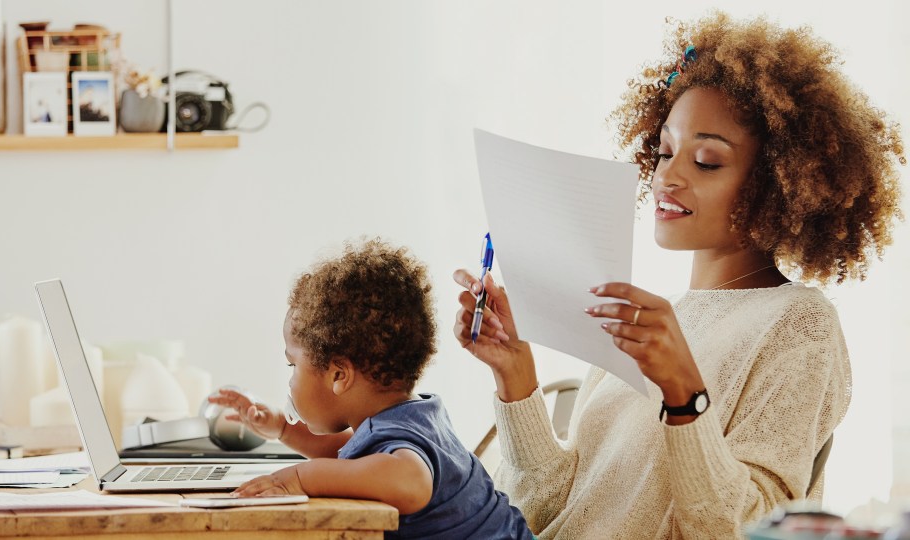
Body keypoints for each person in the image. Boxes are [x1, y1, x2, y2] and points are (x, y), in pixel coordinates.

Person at [453, 11, 903, 539]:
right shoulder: (651, 322)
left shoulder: (800, 325)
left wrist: (682, 392)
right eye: (665, 152)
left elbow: (748, 529)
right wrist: (515, 378)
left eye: (707, 161)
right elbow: (549, 510)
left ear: (778, 184)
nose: (668, 175)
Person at [210, 238, 533, 540]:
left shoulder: (398, 441)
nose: (292, 380)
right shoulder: (414, 417)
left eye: (293, 365)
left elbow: (409, 482)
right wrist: (283, 429)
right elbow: (352, 458)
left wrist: (298, 478)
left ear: (339, 375)